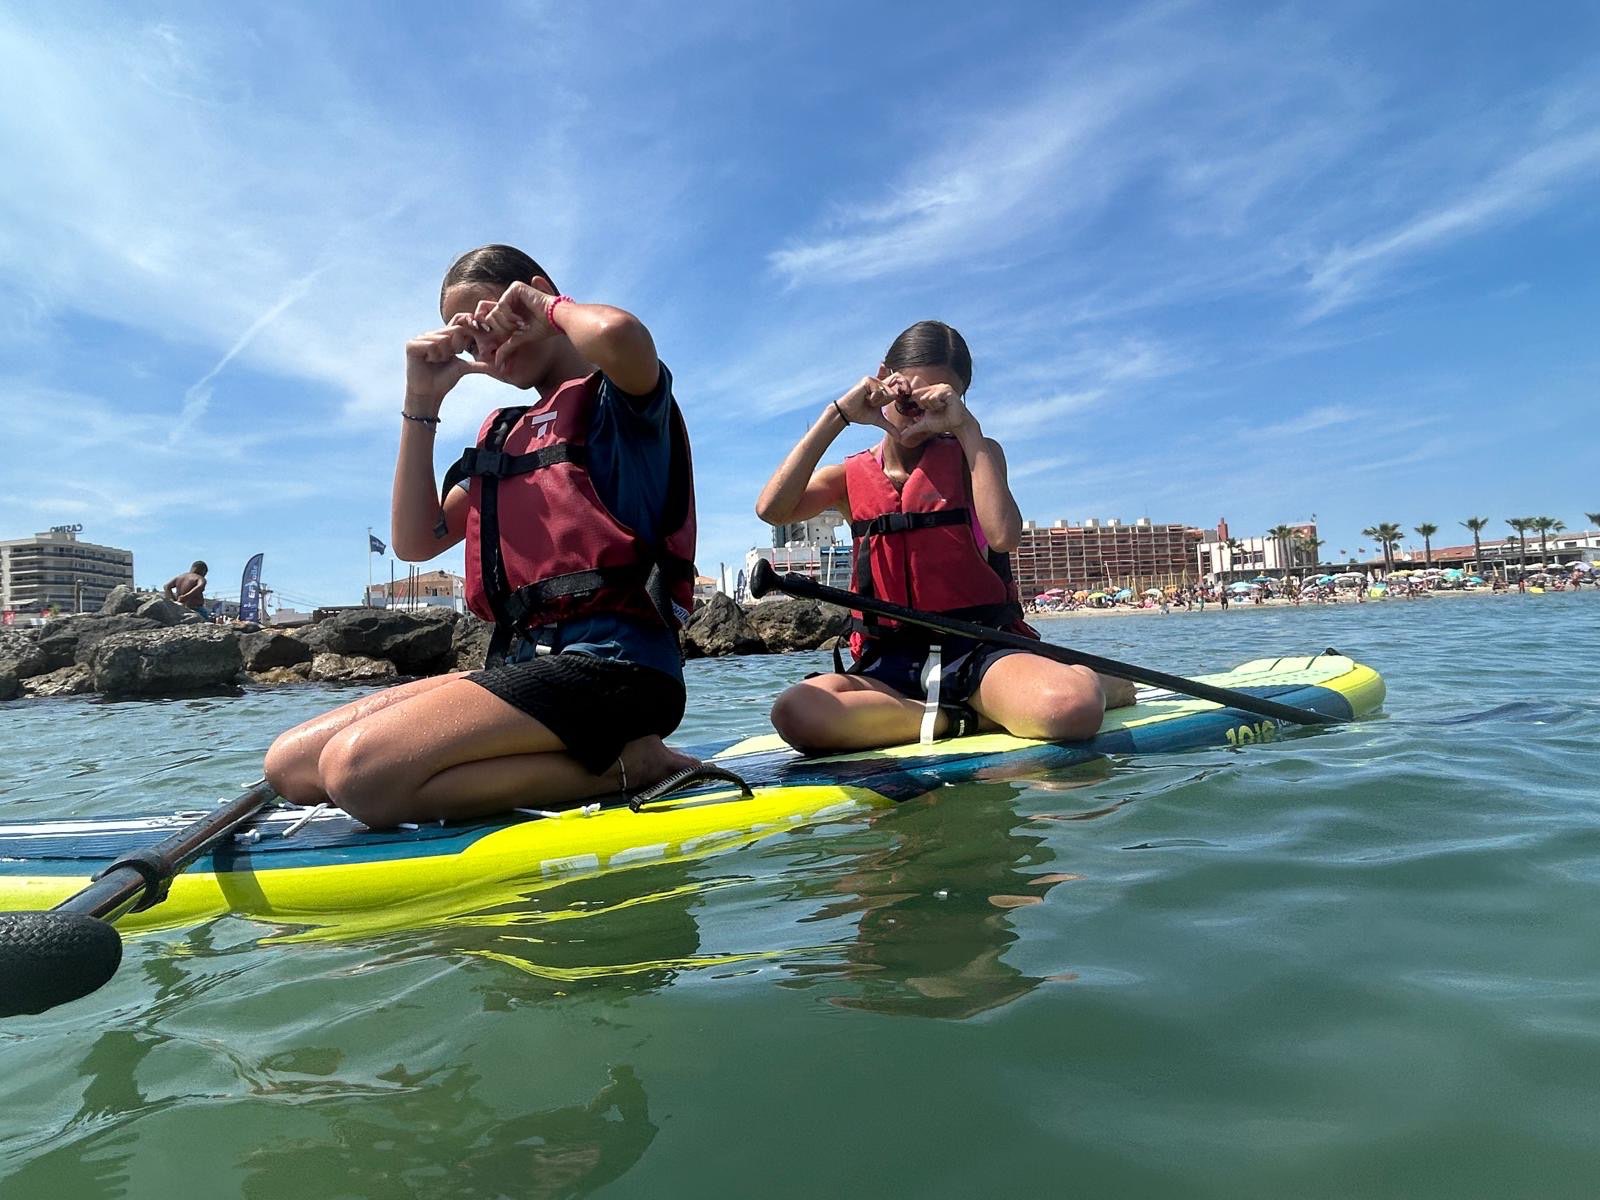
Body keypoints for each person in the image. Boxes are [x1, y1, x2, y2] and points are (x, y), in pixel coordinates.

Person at [264, 244, 698, 827]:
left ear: (537, 295)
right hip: (527, 666)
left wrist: (544, 306)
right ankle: (576, 761)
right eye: (471, 341)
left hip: (620, 669)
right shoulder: (506, 436)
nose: (486, 349)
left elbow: (619, 333)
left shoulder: (619, 403)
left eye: (493, 320)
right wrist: (422, 399)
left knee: (358, 773)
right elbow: (415, 541)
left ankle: (633, 764)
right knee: (291, 766)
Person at [754, 320, 1134, 753]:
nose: (919, 411)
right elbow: (772, 510)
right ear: (883, 378)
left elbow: (1004, 536)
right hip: (886, 663)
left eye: (939, 399)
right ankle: (957, 718)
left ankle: (1095, 681)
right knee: (796, 712)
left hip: (979, 652)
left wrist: (967, 428)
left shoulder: (979, 455)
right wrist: (838, 414)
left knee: (1071, 709)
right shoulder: (846, 477)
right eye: (910, 396)